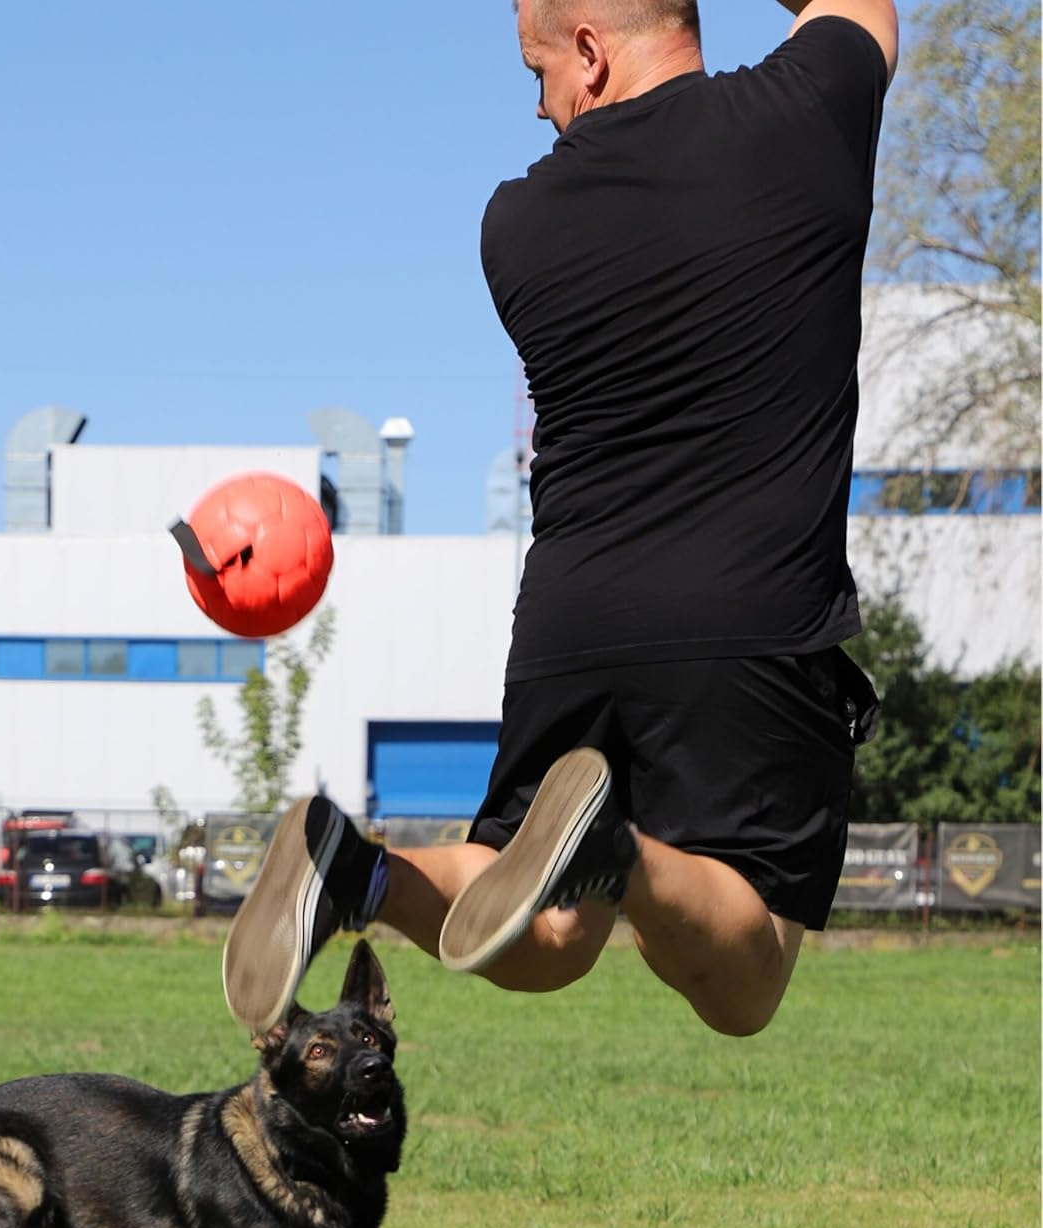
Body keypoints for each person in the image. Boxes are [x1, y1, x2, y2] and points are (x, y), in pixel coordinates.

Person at [222, 0, 897, 1041]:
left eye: (538, 76)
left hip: (572, 623)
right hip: (748, 617)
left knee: (539, 931)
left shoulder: (518, 225)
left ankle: (353, 869)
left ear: (589, 51)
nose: (541, 111)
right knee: (748, 977)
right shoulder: (803, 112)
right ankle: (612, 850)